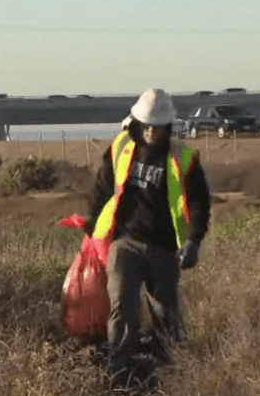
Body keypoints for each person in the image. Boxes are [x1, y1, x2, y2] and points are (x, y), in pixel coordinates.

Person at [88, 88, 212, 377]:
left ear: (167, 127)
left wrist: (193, 241)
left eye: (157, 127)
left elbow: (199, 205)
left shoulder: (184, 159)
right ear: (137, 123)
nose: (151, 132)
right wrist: (92, 222)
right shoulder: (120, 148)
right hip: (125, 243)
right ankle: (118, 368)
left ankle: (169, 371)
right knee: (122, 307)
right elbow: (103, 188)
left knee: (165, 314)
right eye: (146, 126)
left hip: (165, 249)